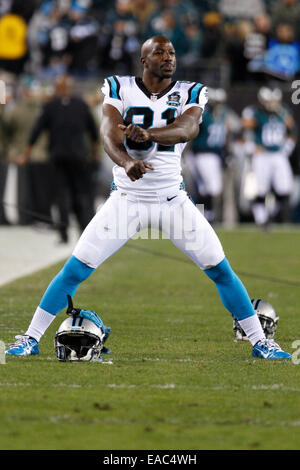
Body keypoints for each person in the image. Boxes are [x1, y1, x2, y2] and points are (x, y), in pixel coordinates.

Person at [6, 36, 290, 360]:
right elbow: (108, 133)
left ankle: (260, 341)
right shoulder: (119, 87)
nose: (168, 57)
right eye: (159, 52)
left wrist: (149, 135)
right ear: (143, 60)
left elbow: (187, 128)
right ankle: (29, 338)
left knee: (219, 268)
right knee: (76, 268)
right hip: (126, 200)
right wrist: (127, 162)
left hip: (173, 201)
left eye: (171, 52)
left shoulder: (191, 91)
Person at [18, 74, 100, 243]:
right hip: (78, 157)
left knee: (62, 196)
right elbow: (94, 134)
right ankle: (83, 232)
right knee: (80, 195)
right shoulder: (80, 104)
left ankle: (64, 234)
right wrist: (94, 154)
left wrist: (25, 155)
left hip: (58, 157)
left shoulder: (51, 106)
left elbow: (35, 132)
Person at [242, 86, 296, 227]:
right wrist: (252, 147)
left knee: (284, 189)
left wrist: (287, 147)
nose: (271, 103)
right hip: (262, 155)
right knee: (260, 189)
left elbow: (292, 130)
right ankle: (261, 219)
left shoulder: (283, 112)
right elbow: (244, 131)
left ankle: (272, 215)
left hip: (278, 155)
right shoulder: (255, 113)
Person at [185, 87, 240, 224]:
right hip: (201, 154)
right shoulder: (203, 114)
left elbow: (232, 130)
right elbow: (190, 134)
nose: (219, 105)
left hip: (214, 155)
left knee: (205, 189)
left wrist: (228, 151)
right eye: (216, 102)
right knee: (209, 188)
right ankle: (206, 216)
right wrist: (186, 153)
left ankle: (205, 216)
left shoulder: (224, 114)